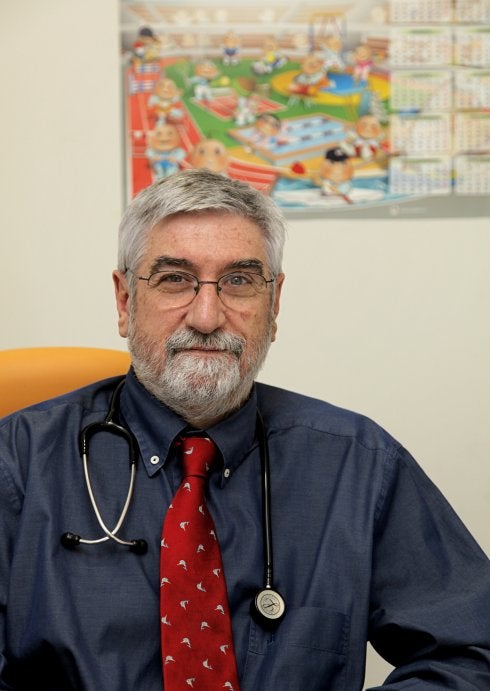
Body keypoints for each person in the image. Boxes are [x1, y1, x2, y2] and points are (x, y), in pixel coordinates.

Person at [0, 169, 489, 690]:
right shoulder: (18, 464)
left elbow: (471, 654)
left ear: (274, 305)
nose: (207, 317)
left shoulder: (358, 465)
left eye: (238, 281)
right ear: (125, 302)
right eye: (174, 279)